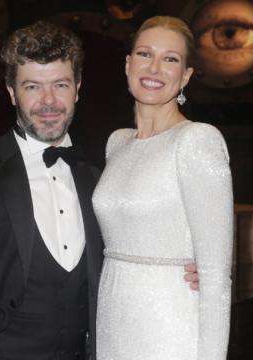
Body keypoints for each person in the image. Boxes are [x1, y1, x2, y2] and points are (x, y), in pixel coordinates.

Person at [0, 20, 199, 360]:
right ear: (12, 91)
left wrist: (189, 268)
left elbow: (127, 254)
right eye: (32, 87)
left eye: (60, 85)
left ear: (77, 87)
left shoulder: (98, 181)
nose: (49, 101)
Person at [93, 15, 233, 360]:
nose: (154, 68)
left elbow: (216, 280)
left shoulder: (197, 140)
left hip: (170, 328)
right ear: (128, 65)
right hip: (113, 322)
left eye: (170, 59)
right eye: (144, 54)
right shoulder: (117, 143)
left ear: (185, 76)